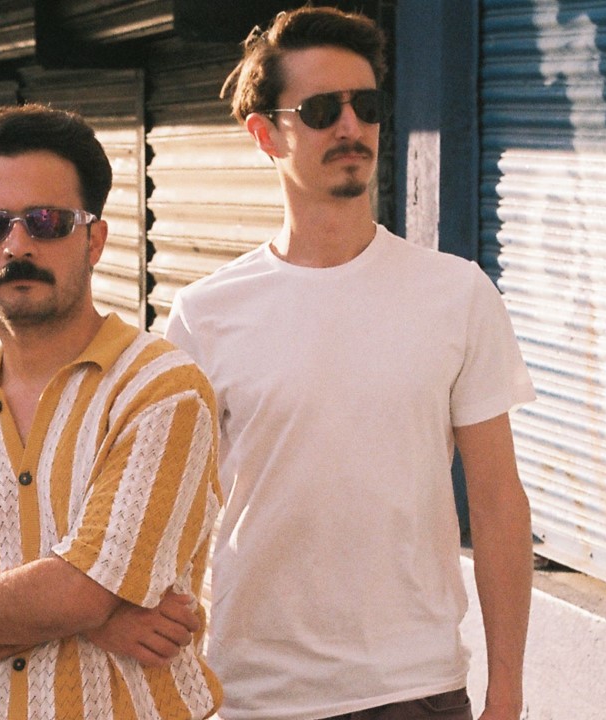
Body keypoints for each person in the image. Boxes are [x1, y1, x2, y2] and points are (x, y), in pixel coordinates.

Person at [165, 7, 537, 720]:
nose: (350, 126)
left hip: (414, 687)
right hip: (254, 694)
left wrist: (508, 694)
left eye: (365, 106)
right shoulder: (205, 314)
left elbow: (497, 504)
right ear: (265, 134)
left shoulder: (456, 293)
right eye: (320, 110)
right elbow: (173, 516)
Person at [0, 104, 224, 719]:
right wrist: (95, 617)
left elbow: (79, 593)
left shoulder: (162, 392)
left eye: (47, 221)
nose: (17, 244)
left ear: (95, 240)